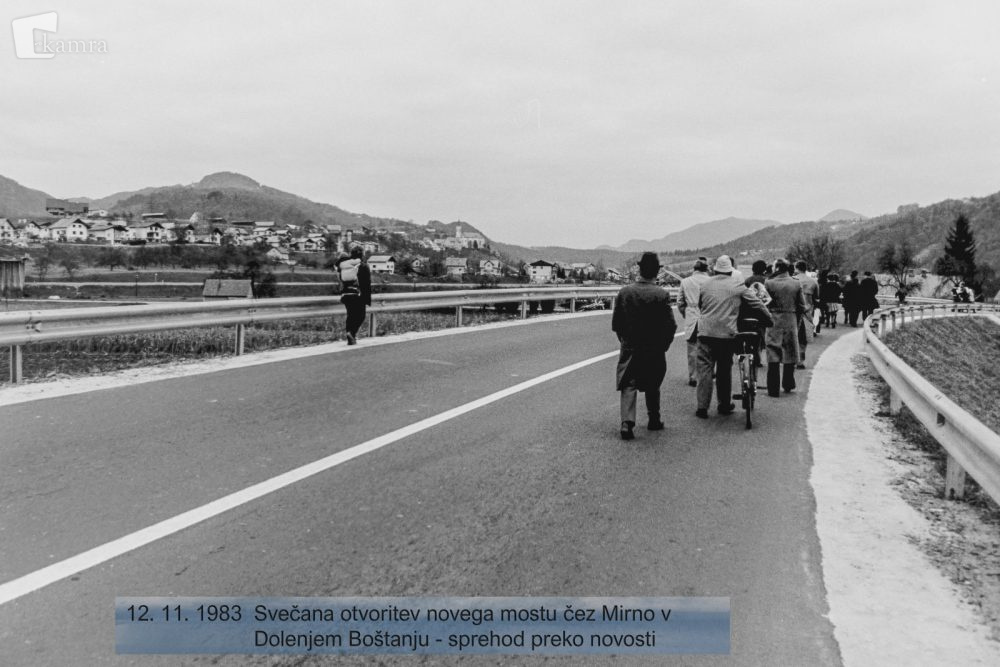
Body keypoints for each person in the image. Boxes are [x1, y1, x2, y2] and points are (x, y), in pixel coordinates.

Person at [694, 255, 772, 419]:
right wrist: (769, 319)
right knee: (724, 368)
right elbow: (757, 303)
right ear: (730, 271)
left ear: (715, 270)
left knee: (704, 370)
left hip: (705, 332)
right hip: (726, 334)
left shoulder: (705, 284)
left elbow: (701, 305)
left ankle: (702, 407)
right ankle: (724, 404)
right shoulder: (737, 285)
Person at [612, 252, 678, 440]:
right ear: (656, 271)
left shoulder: (625, 292)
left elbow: (617, 323)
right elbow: (671, 325)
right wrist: (663, 345)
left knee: (628, 383)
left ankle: (627, 423)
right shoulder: (661, 294)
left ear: (640, 269)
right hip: (654, 347)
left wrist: (624, 341)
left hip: (630, 346)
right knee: (653, 382)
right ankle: (654, 419)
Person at [764, 258, 806, 396]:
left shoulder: (769, 283)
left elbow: (763, 303)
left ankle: (773, 388)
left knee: (773, 351)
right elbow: (802, 306)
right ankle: (788, 383)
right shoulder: (796, 283)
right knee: (790, 351)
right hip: (791, 319)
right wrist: (797, 320)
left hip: (774, 319)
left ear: (777, 268)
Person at [677, 258, 711, 387]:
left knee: (692, 349)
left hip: (692, 316)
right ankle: (707, 374)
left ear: (694, 269)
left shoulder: (685, 282)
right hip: (708, 315)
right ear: (706, 269)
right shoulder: (711, 281)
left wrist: (686, 313)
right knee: (708, 348)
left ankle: (693, 376)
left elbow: (680, 302)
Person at [338, 246, 371, 345]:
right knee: (361, 316)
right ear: (362, 254)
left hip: (346, 294)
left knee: (350, 315)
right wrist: (367, 299)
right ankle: (352, 333)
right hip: (357, 294)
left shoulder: (345, 265)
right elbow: (366, 284)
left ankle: (350, 335)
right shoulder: (363, 266)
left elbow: (341, 279)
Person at [793, 260, 819, 369]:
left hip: (793, 312)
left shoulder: (792, 280)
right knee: (803, 338)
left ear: (796, 268)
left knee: (792, 336)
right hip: (807, 312)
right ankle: (800, 360)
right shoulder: (813, 282)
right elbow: (816, 297)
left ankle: (791, 359)